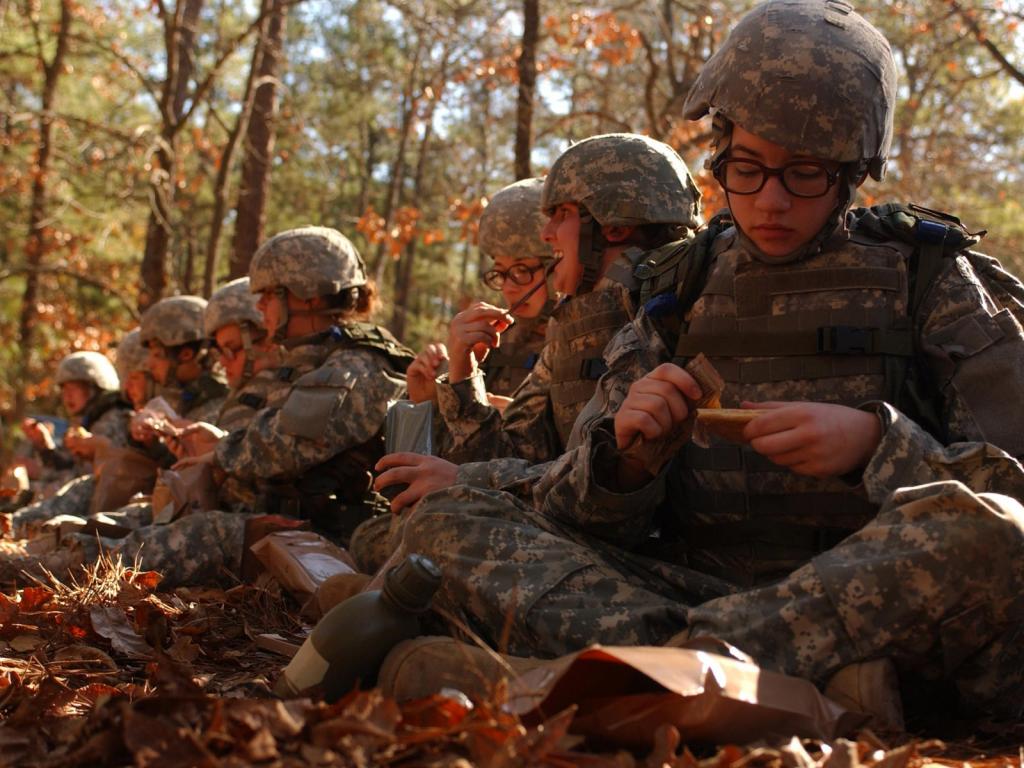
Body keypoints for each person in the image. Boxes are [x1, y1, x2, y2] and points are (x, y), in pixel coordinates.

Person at [382, 0, 1024, 721]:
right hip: (692, 594)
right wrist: (626, 464)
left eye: (804, 173)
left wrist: (878, 447)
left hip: (883, 611)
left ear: (853, 170)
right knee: (452, 516)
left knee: (999, 534)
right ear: (719, 151)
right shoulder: (677, 289)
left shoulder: (930, 279)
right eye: (747, 167)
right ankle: (771, 687)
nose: (771, 200)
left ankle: (656, 676)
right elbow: (574, 504)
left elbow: (1012, 488)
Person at [370, 134, 702, 524]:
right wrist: (462, 376)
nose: (547, 233)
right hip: (583, 530)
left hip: (650, 548)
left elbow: (595, 487)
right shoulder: (574, 326)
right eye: (501, 271)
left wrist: (465, 478)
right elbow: (508, 453)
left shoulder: (666, 308)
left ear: (611, 225)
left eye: (560, 215)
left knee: (440, 528)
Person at [405, 178, 554, 411]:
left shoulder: (591, 342)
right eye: (500, 272)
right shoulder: (492, 342)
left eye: (521, 270)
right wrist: (430, 399)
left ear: (556, 267)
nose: (508, 287)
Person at [138, 295, 229, 425]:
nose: (149, 364)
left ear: (186, 354)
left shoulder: (217, 407)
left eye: (157, 355)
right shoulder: (190, 399)